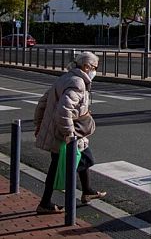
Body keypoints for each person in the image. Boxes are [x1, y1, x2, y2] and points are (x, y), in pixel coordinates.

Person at [33, 52, 106, 215]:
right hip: (66, 134)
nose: (95, 71)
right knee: (65, 165)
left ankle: (87, 191)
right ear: (86, 66)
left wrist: (38, 124)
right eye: (94, 68)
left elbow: (42, 102)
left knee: (83, 157)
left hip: (62, 131)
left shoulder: (65, 78)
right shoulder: (78, 83)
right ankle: (45, 203)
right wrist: (69, 134)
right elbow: (64, 111)